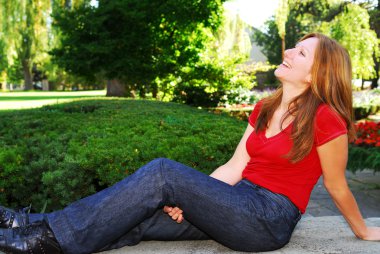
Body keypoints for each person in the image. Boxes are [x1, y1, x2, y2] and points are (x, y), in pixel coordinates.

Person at [1, 33, 380, 254]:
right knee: (141, 217)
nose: (288, 52)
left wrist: (362, 231)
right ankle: (25, 226)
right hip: (236, 202)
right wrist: (198, 198)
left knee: (163, 172)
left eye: (300, 53)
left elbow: (336, 184)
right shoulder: (266, 107)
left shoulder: (325, 118)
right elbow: (235, 166)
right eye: (292, 46)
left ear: (318, 73)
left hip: (269, 219)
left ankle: (44, 238)